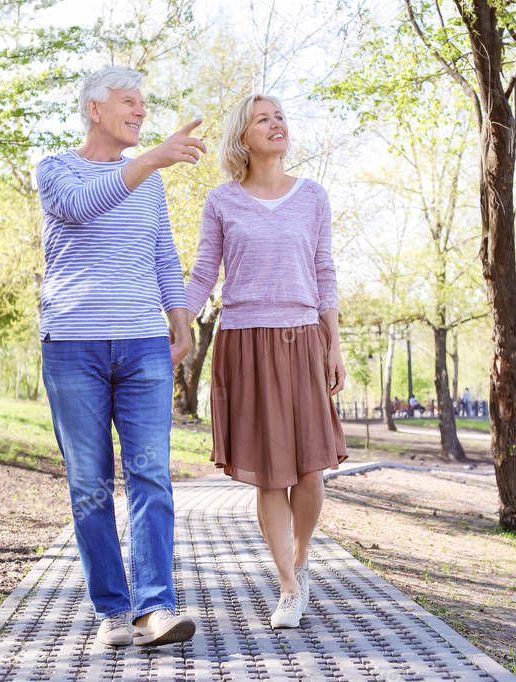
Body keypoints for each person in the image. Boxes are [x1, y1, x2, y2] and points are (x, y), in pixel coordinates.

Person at [35, 66, 205, 648]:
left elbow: (161, 248)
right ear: (94, 109)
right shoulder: (56, 169)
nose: (140, 111)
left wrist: (179, 315)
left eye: (144, 103)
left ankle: (155, 608)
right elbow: (83, 206)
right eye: (129, 102)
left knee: (152, 475)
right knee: (89, 486)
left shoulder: (148, 179)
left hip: (142, 345)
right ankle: (113, 610)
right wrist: (154, 158)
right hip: (73, 345)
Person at [183, 93, 347, 630]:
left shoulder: (313, 198)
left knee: (309, 471)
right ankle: (287, 584)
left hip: (302, 340)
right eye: (263, 119)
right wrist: (179, 317)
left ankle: (302, 556)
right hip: (245, 341)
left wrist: (335, 344)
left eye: (280, 117)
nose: (276, 125)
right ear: (243, 138)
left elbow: (324, 273)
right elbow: (205, 271)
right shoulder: (222, 202)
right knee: (270, 477)